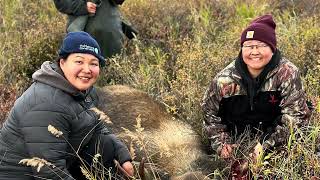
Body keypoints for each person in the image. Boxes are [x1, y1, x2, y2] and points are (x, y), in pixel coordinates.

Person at [0, 31, 134, 179]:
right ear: (62, 62)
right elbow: (50, 171)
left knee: (105, 144)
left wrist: (123, 157)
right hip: (24, 176)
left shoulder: (81, 91)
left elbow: (99, 128)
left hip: (62, 163)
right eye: (79, 61)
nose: (87, 69)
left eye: (93, 63)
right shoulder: (46, 104)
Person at [201, 14, 310, 159]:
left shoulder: (287, 73)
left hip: (275, 141)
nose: (254, 52)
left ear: (272, 48)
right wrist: (222, 144)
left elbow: (296, 117)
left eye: (261, 45)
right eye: (248, 46)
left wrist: (265, 145)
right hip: (236, 142)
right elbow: (209, 114)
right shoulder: (224, 79)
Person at [54, 0, 137, 58]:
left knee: (113, 67)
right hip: (81, 28)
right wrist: (82, 6)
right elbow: (61, 2)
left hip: (110, 31)